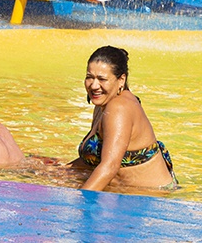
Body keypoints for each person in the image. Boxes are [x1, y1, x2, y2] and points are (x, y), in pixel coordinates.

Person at [69, 46, 177, 192]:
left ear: (121, 80)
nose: (94, 85)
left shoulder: (119, 108)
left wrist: (79, 204)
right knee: (36, 168)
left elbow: (109, 167)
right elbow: (97, 159)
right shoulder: (104, 104)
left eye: (102, 79)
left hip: (150, 198)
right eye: (89, 77)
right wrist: (59, 169)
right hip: (129, 192)